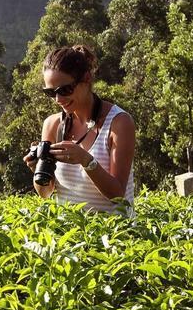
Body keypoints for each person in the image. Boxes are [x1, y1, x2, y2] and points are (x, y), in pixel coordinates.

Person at [25, 45, 136, 214]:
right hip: (70, 235)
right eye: (51, 92)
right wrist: (38, 169)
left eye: (65, 90)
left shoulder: (119, 123)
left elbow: (118, 195)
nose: (58, 99)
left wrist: (86, 160)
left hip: (114, 235)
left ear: (86, 79)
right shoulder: (52, 124)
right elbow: (46, 193)